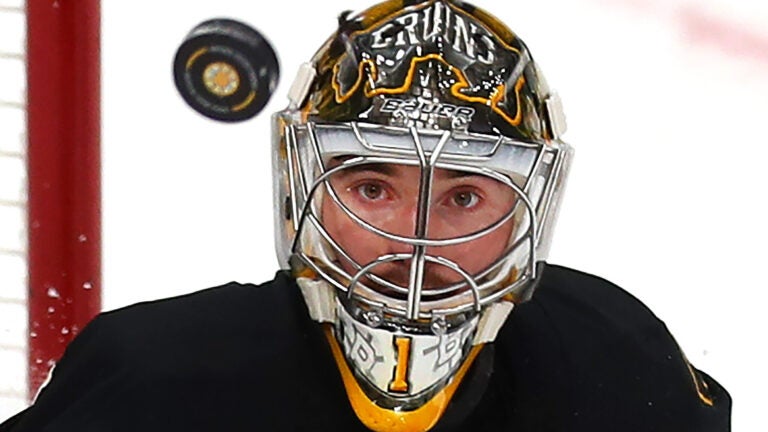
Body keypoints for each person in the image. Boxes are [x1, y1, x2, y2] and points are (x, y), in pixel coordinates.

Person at [0, 0, 731, 431]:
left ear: (527, 213)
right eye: (373, 188)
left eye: (464, 197)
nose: (413, 246)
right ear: (303, 189)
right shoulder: (150, 389)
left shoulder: (620, 371)